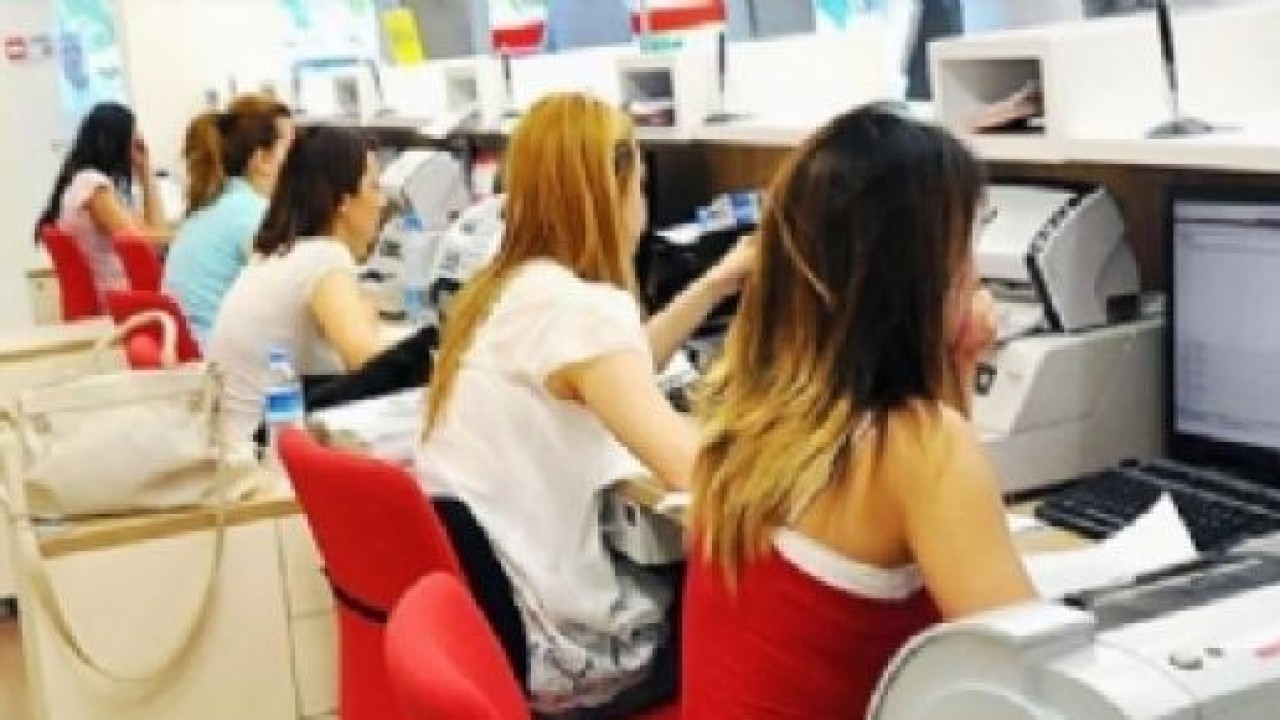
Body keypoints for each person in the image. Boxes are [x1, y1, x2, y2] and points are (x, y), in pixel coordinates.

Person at [682, 104, 1036, 719]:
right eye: (966, 246)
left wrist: (956, 365)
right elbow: (1028, 684)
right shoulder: (918, 446)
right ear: (917, 274)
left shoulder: (751, 415)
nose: (977, 272)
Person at [417, 92, 750, 718]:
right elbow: (695, 471)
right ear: (611, 191)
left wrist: (714, 284)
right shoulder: (581, 311)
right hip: (569, 654)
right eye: (640, 186)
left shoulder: (503, 289)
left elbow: (614, 366)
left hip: (495, 629)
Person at [208, 125, 386, 440]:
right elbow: (370, 364)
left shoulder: (274, 255)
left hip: (236, 439)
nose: (382, 202)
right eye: (375, 187)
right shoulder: (324, 256)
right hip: (264, 453)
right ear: (344, 201)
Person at [163, 94, 295, 346]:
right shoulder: (251, 213)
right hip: (218, 354)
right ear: (262, 159)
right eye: (292, 147)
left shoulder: (216, 203)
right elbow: (291, 296)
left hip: (192, 347)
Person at [35, 101, 169, 300]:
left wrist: (146, 172)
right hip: (119, 299)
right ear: (117, 142)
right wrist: (184, 237)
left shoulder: (88, 184)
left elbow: (155, 239)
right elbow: (144, 245)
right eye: (133, 138)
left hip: (117, 296)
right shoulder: (92, 186)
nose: (137, 145)